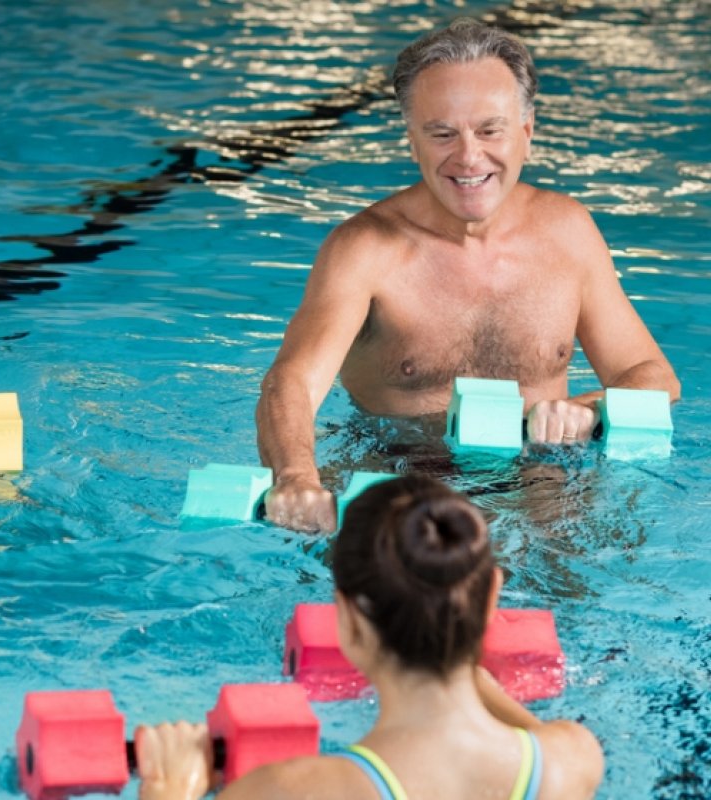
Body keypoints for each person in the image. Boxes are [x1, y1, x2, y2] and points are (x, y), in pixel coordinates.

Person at [255, 18, 680, 533]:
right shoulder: (363, 250)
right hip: (399, 479)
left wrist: (582, 409)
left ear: (527, 132)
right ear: (412, 141)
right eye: (442, 134)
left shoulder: (568, 233)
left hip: (541, 483)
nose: (469, 157)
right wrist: (297, 476)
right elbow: (292, 381)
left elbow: (654, 376)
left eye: (489, 130)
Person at [135, 474, 605, 800]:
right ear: (491, 600)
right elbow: (540, 741)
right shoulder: (573, 760)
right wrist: (472, 678)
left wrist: (169, 786)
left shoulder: (294, 790)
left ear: (349, 621)